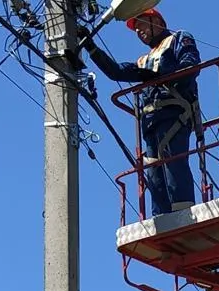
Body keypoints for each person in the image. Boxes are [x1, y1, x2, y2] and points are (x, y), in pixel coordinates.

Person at [80, 7, 201, 216]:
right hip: (151, 121)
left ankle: (184, 216)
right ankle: (162, 219)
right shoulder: (143, 60)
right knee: (154, 174)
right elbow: (116, 71)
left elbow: (190, 68)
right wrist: (91, 47)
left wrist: (158, 75)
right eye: (135, 28)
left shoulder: (177, 39)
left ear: (158, 23)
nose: (138, 31)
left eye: (141, 24)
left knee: (173, 166)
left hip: (174, 114)